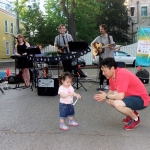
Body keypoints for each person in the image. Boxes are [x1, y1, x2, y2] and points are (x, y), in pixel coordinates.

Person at [94, 58, 150, 130]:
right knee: (108, 100)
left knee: (118, 103)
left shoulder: (121, 74)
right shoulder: (111, 76)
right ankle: (131, 114)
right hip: (131, 97)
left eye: (104, 71)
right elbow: (111, 91)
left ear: (112, 68)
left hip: (142, 100)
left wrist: (106, 96)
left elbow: (120, 96)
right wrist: (104, 96)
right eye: (102, 71)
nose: (103, 73)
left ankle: (136, 119)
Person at [91, 24, 115, 91]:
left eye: (102, 29)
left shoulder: (109, 38)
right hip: (102, 57)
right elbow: (92, 43)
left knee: (109, 71)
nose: (101, 30)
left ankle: (108, 85)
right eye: (100, 29)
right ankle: (101, 84)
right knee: (101, 71)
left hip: (109, 57)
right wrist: (95, 49)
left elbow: (112, 46)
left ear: (105, 30)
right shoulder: (99, 37)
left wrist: (111, 47)